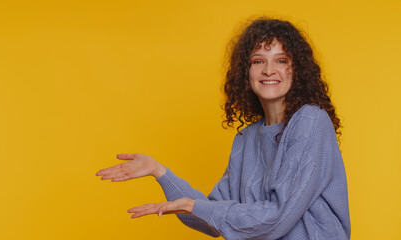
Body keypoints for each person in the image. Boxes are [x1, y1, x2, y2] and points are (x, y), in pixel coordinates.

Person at [96, 17, 351, 240]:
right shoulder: (246, 139)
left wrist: (197, 207)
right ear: (246, 72)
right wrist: (160, 172)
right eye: (258, 61)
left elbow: (278, 216)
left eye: (281, 60)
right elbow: (212, 218)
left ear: (296, 69)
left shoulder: (310, 121)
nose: (269, 70)